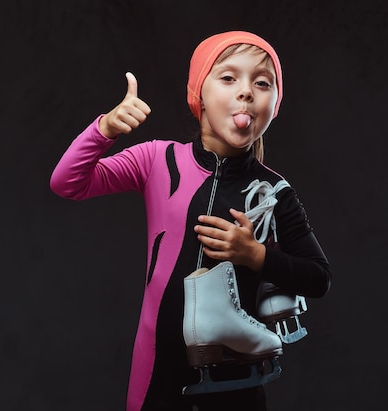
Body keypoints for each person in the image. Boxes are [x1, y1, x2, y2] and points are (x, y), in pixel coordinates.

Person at [50, 30, 331, 411]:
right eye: (228, 77)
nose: (246, 91)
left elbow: (318, 277)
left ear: (275, 103)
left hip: (239, 382)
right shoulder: (157, 160)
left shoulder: (274, 191)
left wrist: (256, 256)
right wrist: (105, 129)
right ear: (199, 93)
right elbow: (67, 183)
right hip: (157, 371)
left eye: (262, 83)